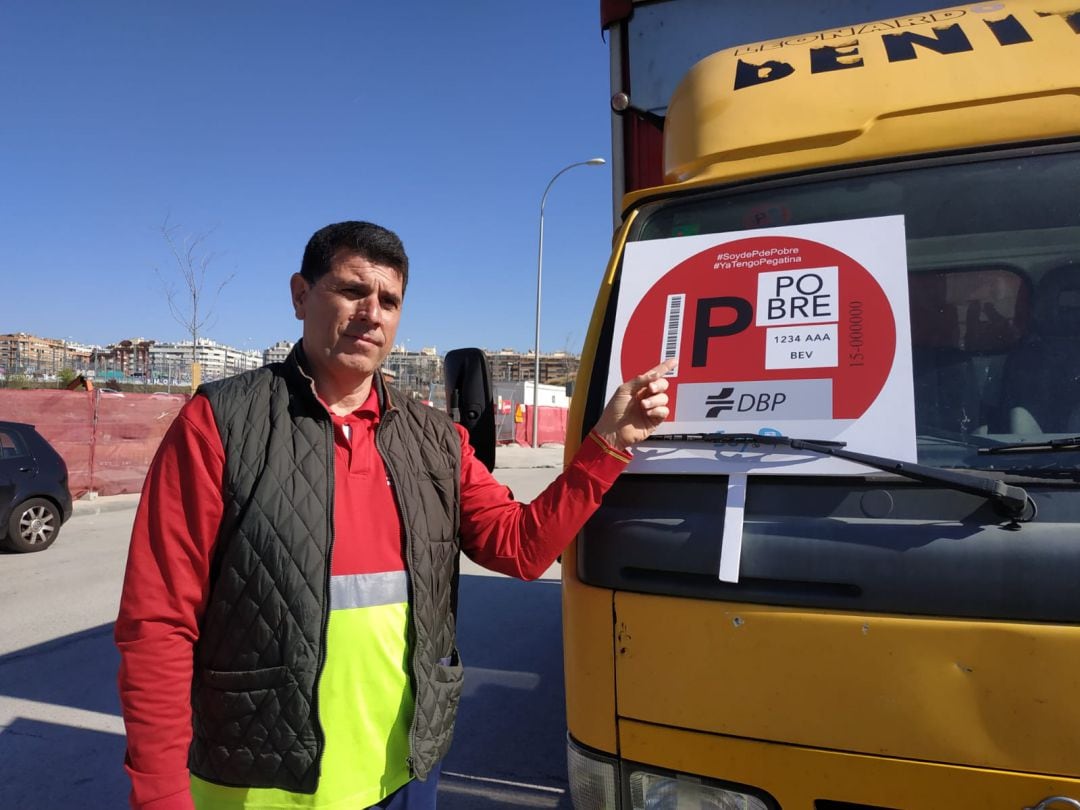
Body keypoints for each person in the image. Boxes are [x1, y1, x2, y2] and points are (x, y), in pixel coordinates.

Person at [115, 220, 673, 810]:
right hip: (255, 786)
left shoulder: (436, 439)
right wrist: (160, 793)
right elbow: (157, 622)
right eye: (353, 291)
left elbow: (523, 547)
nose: (372, 313)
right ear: (301, 295)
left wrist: (608, 443)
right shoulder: (219, 424)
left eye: (389, 300)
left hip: (403, 778)